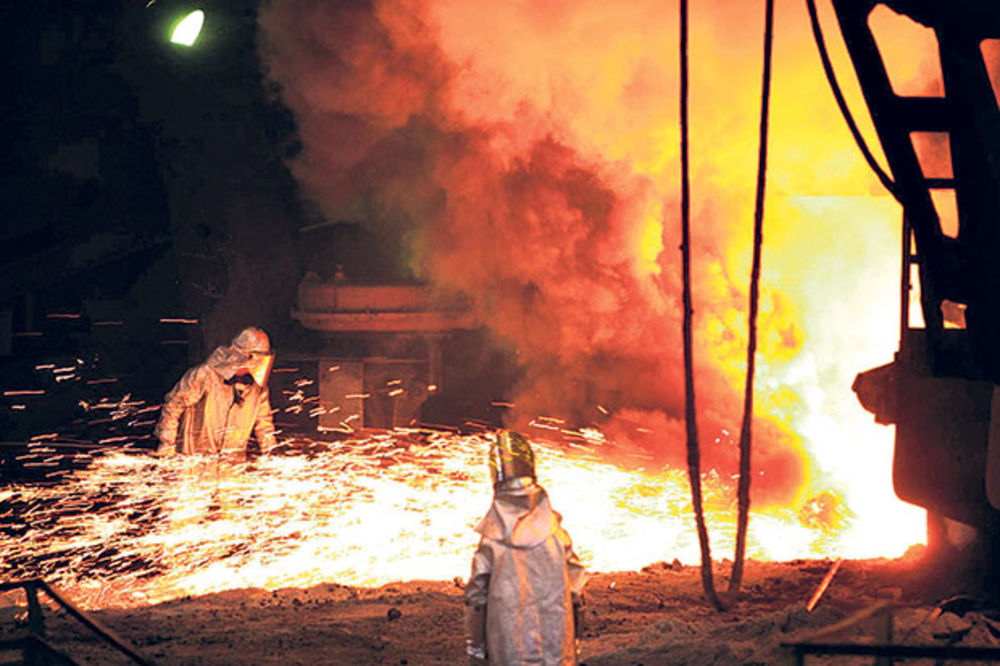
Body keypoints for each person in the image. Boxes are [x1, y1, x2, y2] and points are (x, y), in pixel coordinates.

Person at [464, 430, 587, 666]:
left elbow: (477, 601)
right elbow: (577, 592)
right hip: (557, 652)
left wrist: (476, 650)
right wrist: (576, 641)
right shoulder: (556, 534)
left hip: (509, 654)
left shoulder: (493, 540)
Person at [154, 326, 277, 457]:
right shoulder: (205, 376)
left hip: (232, 466)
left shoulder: (258, 389)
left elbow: (264, 424)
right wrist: (166, 445)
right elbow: (173, 406)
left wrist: (271, 453)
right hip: (194, 461)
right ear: (243, 357)